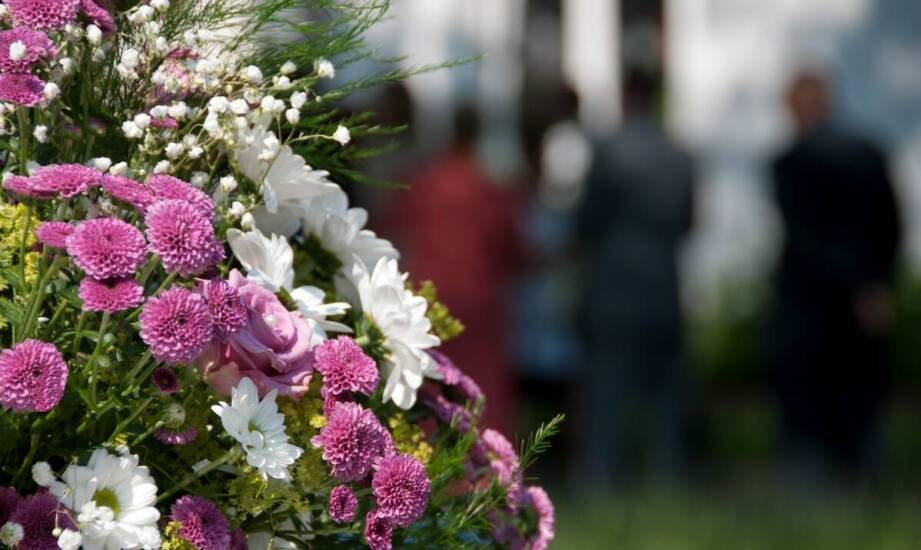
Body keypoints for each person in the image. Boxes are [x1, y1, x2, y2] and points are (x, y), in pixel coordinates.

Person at [771, 71, 901, 480]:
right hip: (861, 299)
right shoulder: (868, 153)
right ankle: (865, 488)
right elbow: (891, 226)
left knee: (808, 413)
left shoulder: (790, 163)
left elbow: (805, 237)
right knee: (860, 404)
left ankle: (815, 496)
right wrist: (873, 283)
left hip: (808, 303)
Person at [574, 68, 694, 485]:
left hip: (614, 285)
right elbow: (688, 223)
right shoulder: (680, 156)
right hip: (663, 285)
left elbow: (585, 223)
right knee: (666, 396)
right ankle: (667, 477)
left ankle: (602, 477)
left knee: (607, 391)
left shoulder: (608, 153)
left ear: (626, 98)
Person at [383, 105, 526, 436]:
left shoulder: (422, 183)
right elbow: (513, 248)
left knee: (432, 387)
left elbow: (392, 230)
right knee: (482, 387)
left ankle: (431, 464)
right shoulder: (488, 188)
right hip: (479, 300)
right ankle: (485, 467)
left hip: (430, 297)